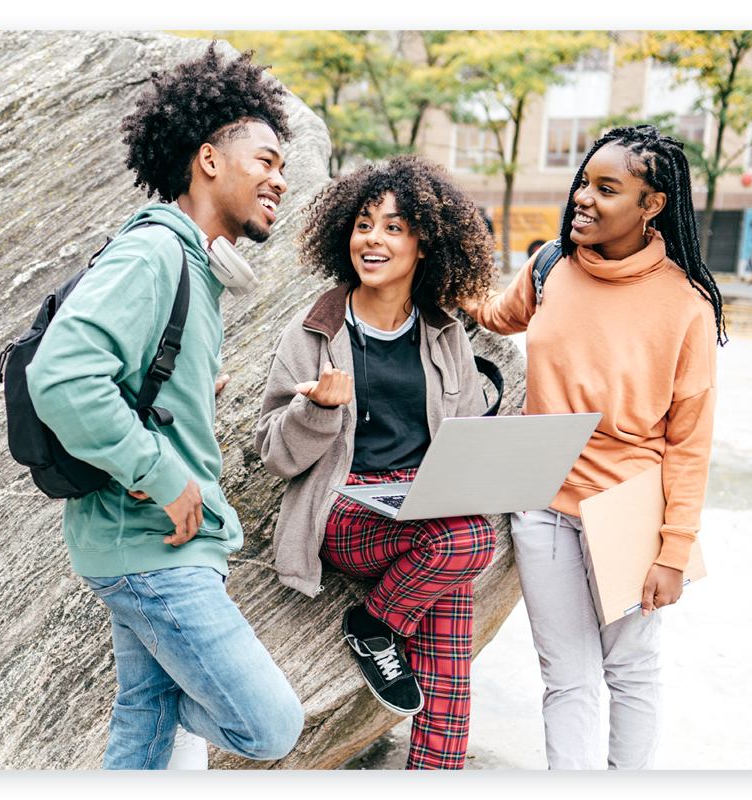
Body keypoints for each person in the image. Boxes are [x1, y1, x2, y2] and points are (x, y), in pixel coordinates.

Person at [26, 43, 304, 771]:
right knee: (269, 725)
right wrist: (162, 472)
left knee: (144, 726)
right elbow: (60, 374)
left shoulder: (193, 268)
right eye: (266, 160)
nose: (281, 178)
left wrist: (182, 395)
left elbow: (119, 379)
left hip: (150, 546)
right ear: (208, 159)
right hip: (151, 548)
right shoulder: (156, 254)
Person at [461, 124, 725, 770]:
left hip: (629, 508)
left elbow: (690, 443)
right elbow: (498, 314)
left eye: (607, 189)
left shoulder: (686, 306)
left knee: (630, 671)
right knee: (565, 676)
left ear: (652, 205)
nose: (584, 197)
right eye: (584, 181)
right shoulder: (552, 265)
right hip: (542, 499)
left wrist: (674, 549)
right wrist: (430, 271)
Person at [255, 155, 498, 770]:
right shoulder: (314, 330)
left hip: (427, 512)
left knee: (449, 662)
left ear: (425, 245)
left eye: (394, 227)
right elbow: (275, 455)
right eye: (364, 224)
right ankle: (370, 624)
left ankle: (435, 768)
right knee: (471, 538)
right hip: (344, 510)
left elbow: (465, 437)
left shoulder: (445, 334)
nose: (374, 239)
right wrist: (318, 412)